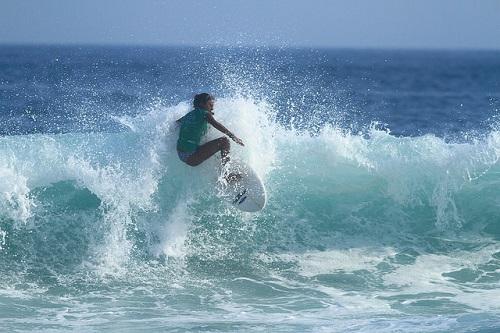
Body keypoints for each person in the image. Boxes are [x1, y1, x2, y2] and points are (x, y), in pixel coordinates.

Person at [176, 93, 244, 173]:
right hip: (191, 156)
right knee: (224, 141)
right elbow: (217, 125)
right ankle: (227, 174)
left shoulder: (189, 115)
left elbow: (176, 123)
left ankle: (219, 167)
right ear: (202, 104)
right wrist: (233, 137)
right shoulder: (205, 114)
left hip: (181, 153)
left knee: (212, 145)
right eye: (210, 104)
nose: (212, 107)